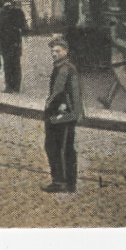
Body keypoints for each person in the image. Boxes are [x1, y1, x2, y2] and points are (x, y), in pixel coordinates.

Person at [42, 36, 82, 193]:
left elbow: (57, 92)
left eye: (57, 51)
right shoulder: (63, 66)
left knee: (56, 147)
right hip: (66, 113)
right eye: (52, 51)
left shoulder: (64, 69)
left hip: (62, 114)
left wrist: (47, 107)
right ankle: (69, 183)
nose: (54, 54)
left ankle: (60, 182)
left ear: (65, 52)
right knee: (65, 148)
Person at [98, 9, 126, 113]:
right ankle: (107, 100)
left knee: (124, 81)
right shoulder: (125, 24)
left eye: (111, 15)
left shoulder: (114, 25)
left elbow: (115, 39)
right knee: (118, 79)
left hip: (117, 55)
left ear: (113, 16)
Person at [0, 0, 28, 94]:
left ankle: (9, 86)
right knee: (16, 63)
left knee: (8, 64)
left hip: (5, 42)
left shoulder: (1, 12)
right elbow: (25, 28)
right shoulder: (18, 12)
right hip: (15, 41)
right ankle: (16, 86)